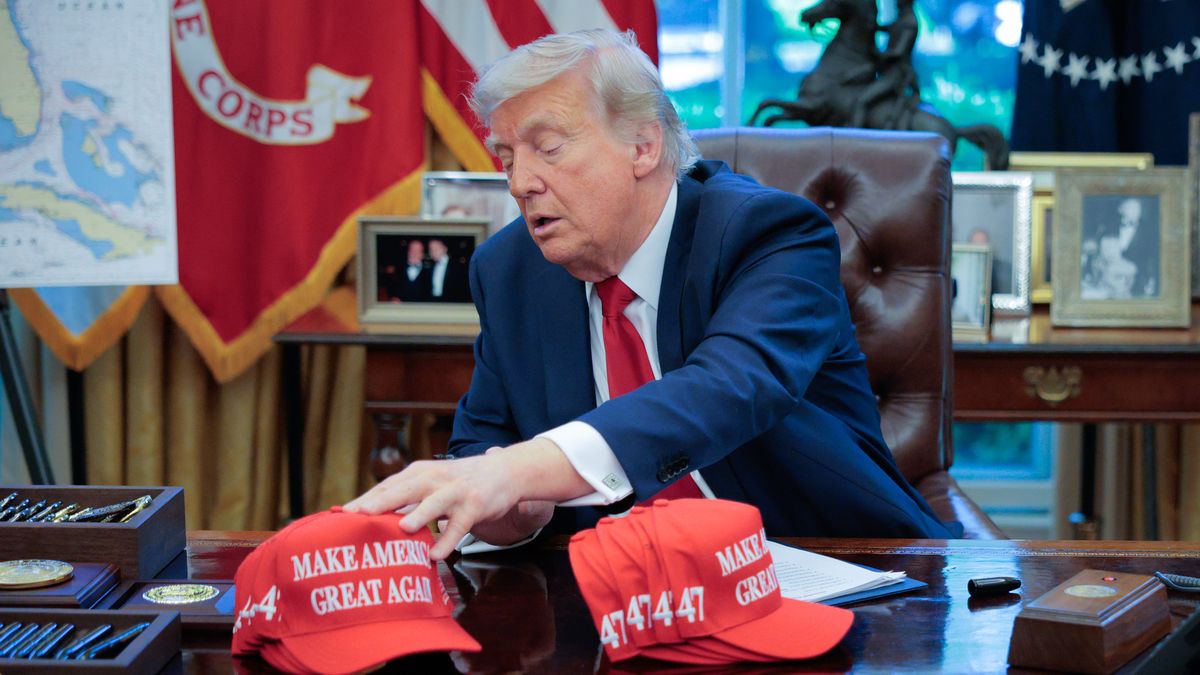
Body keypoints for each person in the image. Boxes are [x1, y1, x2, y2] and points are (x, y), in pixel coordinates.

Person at [346, 29, 956, 560]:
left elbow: (728, 387)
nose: (521, 183)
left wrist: (524, 467)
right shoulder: (509, 270)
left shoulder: (769, 234)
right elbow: (484, 446)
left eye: (548, 149)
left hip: (826, 562)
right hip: (615, 592)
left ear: (643, 146)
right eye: (506, 159)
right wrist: (513, 511)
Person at [429, 238, 471, 303]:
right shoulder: (429, 267)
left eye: (436, 249)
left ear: (445, 249)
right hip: (432, 303)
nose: (433, 252)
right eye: (431, 249)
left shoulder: (457, 267)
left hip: (452, 303)